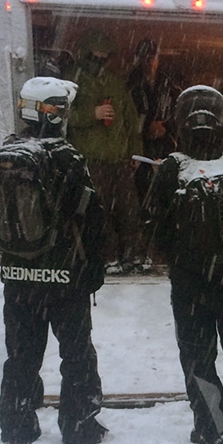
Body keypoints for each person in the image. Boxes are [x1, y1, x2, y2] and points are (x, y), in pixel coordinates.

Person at [143, 85, 223, 444]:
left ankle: (210, 429)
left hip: (189, 285)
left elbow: (153, 226)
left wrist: (180, 259)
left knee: (198, 356)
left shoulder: (171, 169)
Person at [0, 77, 107, 444]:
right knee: (76, 354)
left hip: (18, 277)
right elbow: (91, 216)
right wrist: (95, 266)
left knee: (20, 355)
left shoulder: (4, 154)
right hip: (64, 276)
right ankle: (79, 425)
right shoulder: (66, 157)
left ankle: (16, 426)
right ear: (55, 113)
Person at [65, 28, 145, 275]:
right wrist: (92, 114)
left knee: (129, 210)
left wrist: (135, 151)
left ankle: (133, 255)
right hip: (91, 159)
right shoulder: (72, 80)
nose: (101, 57)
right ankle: (107, 257)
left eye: (105, 53)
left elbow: (131, 118)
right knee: (100, 211)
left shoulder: (115, 81)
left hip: (119, 158)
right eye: (96, 52)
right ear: (86, 51)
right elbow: (63, 116)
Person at [126, 38, 179, 204]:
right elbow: (127, 118)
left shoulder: (168, 84)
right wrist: (146, 129)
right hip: (139, 149)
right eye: (145, 57)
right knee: (139, 194)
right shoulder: (130, 84)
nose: (149, 62)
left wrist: (165, 129)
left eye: (152, 57)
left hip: (164, 147)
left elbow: (177, 114)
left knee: (164, 195)